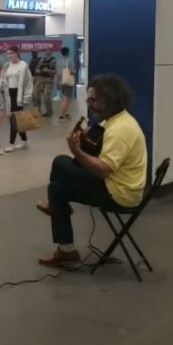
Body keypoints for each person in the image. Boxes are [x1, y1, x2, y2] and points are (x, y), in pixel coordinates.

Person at [36, 74, 147, 266]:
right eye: (89, 99)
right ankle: (66, 250)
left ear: (110, 100)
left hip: (120, 194)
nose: (89, 104)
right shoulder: (113, 120)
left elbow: (103, 170)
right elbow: (99, 153)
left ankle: (58, 216)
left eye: (93, 100)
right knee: (56, 189)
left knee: (61, 162)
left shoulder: (121, 130)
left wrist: (76, 150)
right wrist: (84, 142)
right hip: (116, 185)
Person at [2, 46, 33, 153]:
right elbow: (4, 80)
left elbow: (29, 83)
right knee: (18, 120)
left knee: (13, 119)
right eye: (8, 54)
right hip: (9, 95)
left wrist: (26, 97)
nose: (9, 56)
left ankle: (11, 143)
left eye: (11, 53)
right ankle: (24, 141)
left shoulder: (24, 66)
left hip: (18, 95)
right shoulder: (7, 66)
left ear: (17, 53)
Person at [32, 49, 57, 117]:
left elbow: (56, 72)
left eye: (48, 50)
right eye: (45, 50)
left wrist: (48, 70)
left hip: (49, 80)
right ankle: (37, 111)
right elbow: (37, 68)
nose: (46, 51)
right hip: (40, 79)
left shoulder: (54, 60)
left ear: (51, 52)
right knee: (35, 94)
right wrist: (37, 70)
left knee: (46, 96)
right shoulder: (41, 60)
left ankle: (49, 111)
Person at [57, 47, 76, 122]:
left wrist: (57, 83)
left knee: (66, 99)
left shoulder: (58, 62)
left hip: (61, 82)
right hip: (68, 82)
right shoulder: (69, 61)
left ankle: (66, 114)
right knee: (66, 99)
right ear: (68, 52)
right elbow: (71, 72)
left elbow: (57, 73)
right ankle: (61, 116)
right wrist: (75, 72)